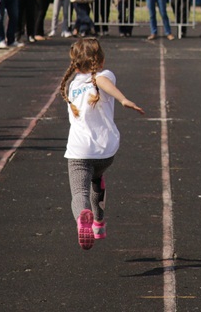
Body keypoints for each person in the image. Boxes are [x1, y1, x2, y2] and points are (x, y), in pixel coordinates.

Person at [59, 38, 145, 249]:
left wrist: (122, 99)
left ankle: (83, 218)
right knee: (97, 178)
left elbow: (99, 82)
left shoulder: (71, 85)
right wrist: (123, 99)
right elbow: (102, 82)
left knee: (80, 193)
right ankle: (98, 224)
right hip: (106, 152)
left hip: (79, 151)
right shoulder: (106, 75)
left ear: (75, 64)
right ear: (101, 60)